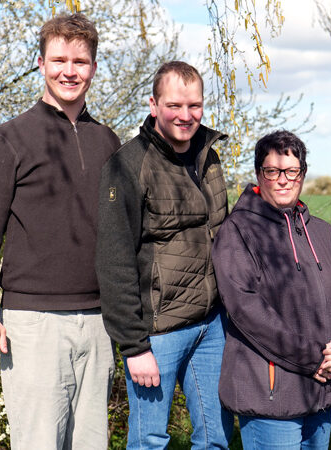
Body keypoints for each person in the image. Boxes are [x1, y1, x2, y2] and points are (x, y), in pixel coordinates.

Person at [0, 13, 120, 449]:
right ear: (40, 63)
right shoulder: (8, 139)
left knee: (91, 444)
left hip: (99, 321)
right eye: (59, 59)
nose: (70, 71)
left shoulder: (108, 142)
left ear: (94, 68)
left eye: (81, 61)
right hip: (33, 322)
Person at [96, 61, 233, 449]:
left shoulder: (209, 157)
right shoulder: (128, 165)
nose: (185, 116)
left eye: (195, 105)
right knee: (149, 441)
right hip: (158, 332)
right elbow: (113, 259)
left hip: (212, 326)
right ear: (153, 104)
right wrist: (134, 346)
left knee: (216, 439)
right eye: (174, 105)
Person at [212, 130, 331, 449]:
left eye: (291, 171)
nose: (283, 180)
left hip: (322, 390)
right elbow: (246, 311)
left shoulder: (321, 232)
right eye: (272, 171)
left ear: (302, 173)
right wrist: (312, 358)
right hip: (271, 396)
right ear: (258, 173)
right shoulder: (238, 232)